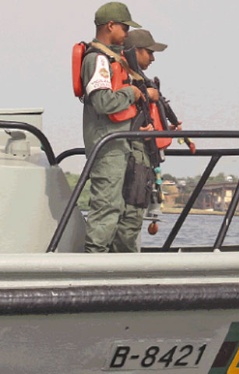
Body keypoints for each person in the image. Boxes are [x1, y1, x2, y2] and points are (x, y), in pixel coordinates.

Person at [111, 29, 182, 252]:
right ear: (136, 52)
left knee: (134, 212)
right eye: (149, 52)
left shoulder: (139, 79)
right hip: (135, 156)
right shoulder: (127, 80)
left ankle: (125, 258)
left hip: (144, 155)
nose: (152, 58)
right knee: (131, 214)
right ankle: (124, 262)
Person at [81, 2, 143, 253]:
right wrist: (132, 92)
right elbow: (103, 102)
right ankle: (93, 263)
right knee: (106, 206)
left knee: (118, 207)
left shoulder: (108, 59)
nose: (127, 33)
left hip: (116, 143)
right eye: (125, 27)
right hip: (107, 146)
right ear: (110, 26)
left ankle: (110, 267)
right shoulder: (97, 60)